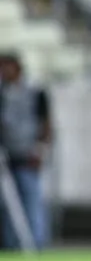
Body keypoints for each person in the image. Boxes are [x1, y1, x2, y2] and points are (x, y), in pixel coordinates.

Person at [0, 52, 52, 250]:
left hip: (28, 155)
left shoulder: (35, 91)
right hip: (6, 157)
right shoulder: (2, 93)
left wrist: (41, 150)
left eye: (7, 66)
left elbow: (45, 123)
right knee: (8, 207)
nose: (3, 72)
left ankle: (37, 244)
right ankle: (12, 245)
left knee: (32, 200)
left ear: (18, 67)